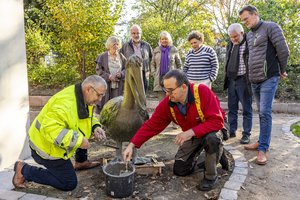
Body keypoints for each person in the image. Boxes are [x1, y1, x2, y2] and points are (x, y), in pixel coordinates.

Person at [123, 69, 225, 191]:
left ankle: (210, 176)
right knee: (180, 170)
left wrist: (189, 132)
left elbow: (217, 121)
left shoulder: (202, 91)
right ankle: (210, 156)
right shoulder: (168, 102)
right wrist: (132, 145)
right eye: (165, 90)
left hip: (213, 129)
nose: (167, 94)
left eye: (171, 90)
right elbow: (151, 126)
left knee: (211, 139)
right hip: (193, 135)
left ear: (183, 86)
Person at [12, 75, 107, 191]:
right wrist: (78, 140)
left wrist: (95, 127)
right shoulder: (65, 103)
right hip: (45, 147)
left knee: (81, 137)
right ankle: (23, 170)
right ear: (88, 89)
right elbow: (49, 128)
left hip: (54, 142)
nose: (100, 99)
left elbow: (87, 118)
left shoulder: (82, 96)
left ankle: (81, 162)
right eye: (99, 95)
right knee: (68, 183)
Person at [239, 5, 289, 165]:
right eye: (242, 20)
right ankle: (261, 142)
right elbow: (248, 56)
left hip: (269, 77)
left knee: (265, 112)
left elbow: (283, 50)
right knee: (260, 112)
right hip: (254, 79)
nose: (245, 22)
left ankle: (263, 149)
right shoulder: (248, 35)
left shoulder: (271, 27)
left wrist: (282, 69)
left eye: (246, 19)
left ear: (255, 14)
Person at [224, 23, 253, 144]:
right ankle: (232, 130)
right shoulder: (230, 43)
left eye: (235, 36)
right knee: (232, 108)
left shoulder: (249, 43)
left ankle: (246, 134)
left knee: (246, 109)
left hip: (244, 80)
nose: (233, 39)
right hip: (231, 79)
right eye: (231, 36)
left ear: (242, 33)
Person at [95, 36, 126, 114]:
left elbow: (126, 69)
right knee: (105, 104)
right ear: (109, 45)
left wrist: (121, 74)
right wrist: (108, 76)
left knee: (117, 104)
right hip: (106, 85)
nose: (116, 46)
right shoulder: (103, 56)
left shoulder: (121, 57)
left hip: (118, 85)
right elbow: (98, 70)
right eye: (114, 44)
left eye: (117, 44)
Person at [151, 31, 182, 102]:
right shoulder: (156, 50)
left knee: (172, 101)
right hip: (160, 80)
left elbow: (179, 64)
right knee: (162, 102)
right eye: (162, 39)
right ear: (160, 40)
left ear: (169, 40)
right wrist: (154, 73)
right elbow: (152, 64)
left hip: (172, 79)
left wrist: (177, 75)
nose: (164, 40)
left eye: (166, 39)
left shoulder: (174, 49)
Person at [120, 24, 153, 92]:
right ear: (131, 34)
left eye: (138, 33)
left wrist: (150, 70)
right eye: (133, 33)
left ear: (141, 33)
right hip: (130, 73)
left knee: (143, 94)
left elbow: (152, 59)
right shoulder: (125, 46)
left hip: (144, 73)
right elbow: (121, 60)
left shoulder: (147, 45)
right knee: (132, 94)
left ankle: (143, 103)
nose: (136, 35)